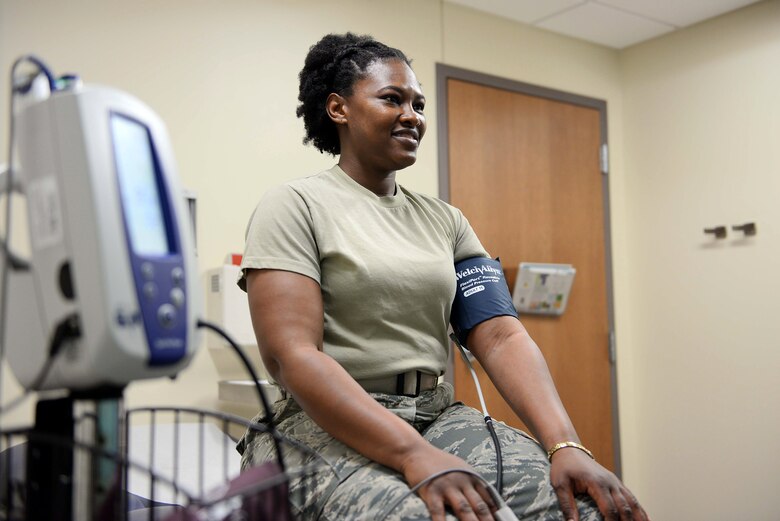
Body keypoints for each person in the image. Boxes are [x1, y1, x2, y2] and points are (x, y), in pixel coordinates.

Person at [237, 32, 648, 521]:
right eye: (392, 99)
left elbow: (499, 335)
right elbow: (292, 357)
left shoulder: (445, 220)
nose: (412, 115)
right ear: (338, 109)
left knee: (581, 506)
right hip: (319, 423)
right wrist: (413, 454)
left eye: (418, 104)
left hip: (434, 414)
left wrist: (566, 445)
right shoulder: (294, 205)